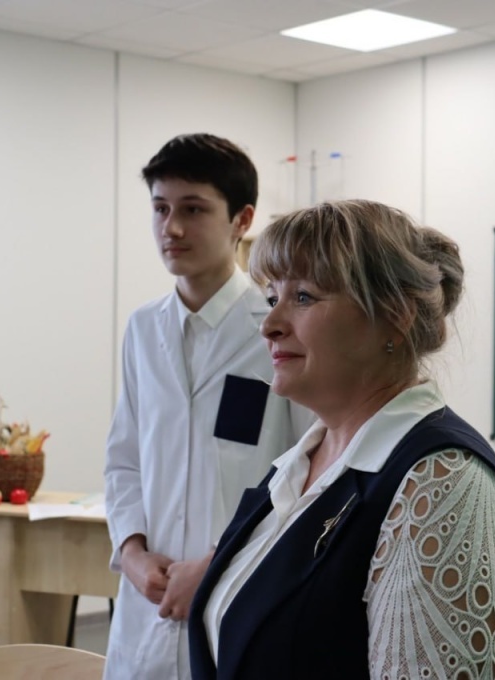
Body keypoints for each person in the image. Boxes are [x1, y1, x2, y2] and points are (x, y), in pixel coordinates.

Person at [187, 200, 495, 680]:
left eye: (303, 297)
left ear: (395, 316)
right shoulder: (301, 463)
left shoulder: (443, 486)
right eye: (272, 296)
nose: (269, 325)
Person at [103, 133, 312, 680]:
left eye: (193, 209)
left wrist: (220, 562)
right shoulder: (143, 329)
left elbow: (308, 467)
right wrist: (131, 552)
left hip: (241, 592)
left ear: (242, 219)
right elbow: (124, 460)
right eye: (160, 209)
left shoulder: (278, 328)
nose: (171, 228)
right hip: (147, 604)